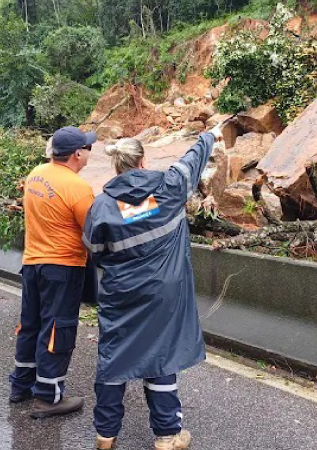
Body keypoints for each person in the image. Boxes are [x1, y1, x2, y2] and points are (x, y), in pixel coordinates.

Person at [83, 124, 224, 450]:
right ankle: (167, 436)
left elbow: (94, 250)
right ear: (143, 161)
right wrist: (209, 135)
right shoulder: (169, 189)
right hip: (164, 295)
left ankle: (105, 434)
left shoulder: (102, 206)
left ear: (116, 165)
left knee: (114, 357)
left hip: (121, 295)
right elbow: (192, 159)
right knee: (162, 357)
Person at [9, 126, 96, 419]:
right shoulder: (78, 188)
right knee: (57, 328)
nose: (88, 154)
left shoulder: (36, 174)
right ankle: (49, 396)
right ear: (76, 155)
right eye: (87, 149)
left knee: (30, 323)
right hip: (63, 266)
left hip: (32, 262)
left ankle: (20, 386)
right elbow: (94, 232)